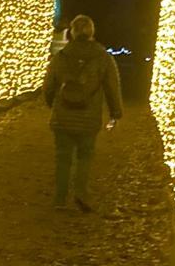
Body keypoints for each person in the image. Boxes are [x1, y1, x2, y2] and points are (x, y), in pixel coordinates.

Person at [42, 14, 123, 213]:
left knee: (63, 158)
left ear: (72, 32)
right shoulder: (103, 57)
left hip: (63, 116)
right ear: (91, 32)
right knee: (85, 156)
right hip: (89, 117)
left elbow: (49, 85)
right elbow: (112, 86)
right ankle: (80, 192)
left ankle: (60, 198)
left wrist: (52, 103)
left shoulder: (61, 56)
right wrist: (115, 112)